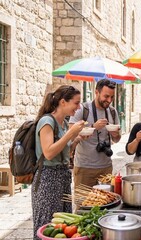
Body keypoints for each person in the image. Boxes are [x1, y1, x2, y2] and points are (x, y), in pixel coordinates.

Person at [32, 85, 86, 238]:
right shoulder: (47, 121)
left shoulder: (63, 123)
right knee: (47, 226)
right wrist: (70, 134)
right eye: (76, 103)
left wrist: (77, 139)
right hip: (47, 179)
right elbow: (48, 153)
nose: (78, 107)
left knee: (63, 226)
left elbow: (64, 153)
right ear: (63, 102)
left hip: (62, 177)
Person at [69, 79, 121, 187]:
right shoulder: (82, 109)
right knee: (83, 202)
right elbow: (71, 135)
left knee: (106, 202)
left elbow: (117, 139)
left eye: (112, 97)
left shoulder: (112, 111)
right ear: (96, 92)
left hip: (106, 166)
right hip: (84, 167)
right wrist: (93, 127)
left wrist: (115, 135)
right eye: (106, 96)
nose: (109, 100)